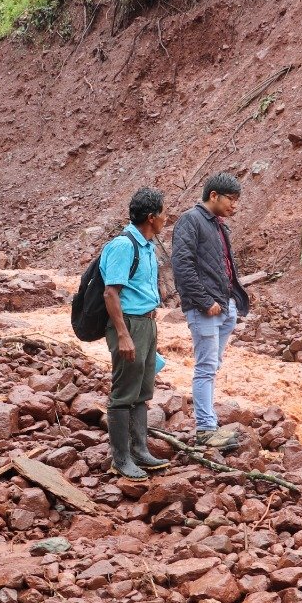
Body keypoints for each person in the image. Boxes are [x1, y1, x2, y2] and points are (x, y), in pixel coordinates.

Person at [171, 173, 250, 446]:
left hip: (224, 306)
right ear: (213, 195)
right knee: (205, 368)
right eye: (232, 199)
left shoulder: (218, 225)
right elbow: (182, 267)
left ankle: (209, 423)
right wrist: (206, 302)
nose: (235, 206)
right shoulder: (190, 220)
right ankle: (206, 429)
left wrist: (232, 302)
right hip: (206, 308)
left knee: (212, 366)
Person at [101, 187, 172, 480]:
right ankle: (120, 458)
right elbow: (110, 293)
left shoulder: (147, 245)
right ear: (152, 217)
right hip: (128, 324)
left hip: (146, 322)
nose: (166, 218)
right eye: (164, 214)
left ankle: (140, 450)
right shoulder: (123, 245)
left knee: (142, 391)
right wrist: (123, 334)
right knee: (124, 393)